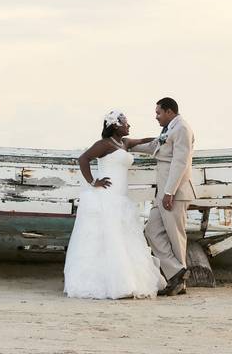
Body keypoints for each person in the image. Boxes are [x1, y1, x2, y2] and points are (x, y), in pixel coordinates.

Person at [63, 110, 167, 299]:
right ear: (114, 125)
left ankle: (127, 281)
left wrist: (165, 136)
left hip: (121, 199)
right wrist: (93, 182)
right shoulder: (104, 144)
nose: (129, 126)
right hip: (106, 197)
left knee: (122, 239)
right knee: (107, 240)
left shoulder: (124, 143)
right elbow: (83, 159)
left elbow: (143, 140)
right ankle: (113, 284)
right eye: (125, 123)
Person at [129, 97, 196, 296]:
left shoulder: (182, 128)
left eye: (158, 112)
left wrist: (170, 192)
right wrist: (130, 145)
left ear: (169, 111)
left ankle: (178, 283)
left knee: (176, 238)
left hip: (174, 193)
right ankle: (177, 272)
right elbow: (154, 148)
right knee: (152, 231)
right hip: (163, 193)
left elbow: (180, 163)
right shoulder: (169, 130)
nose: (156, 116)